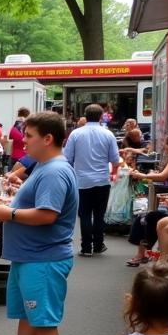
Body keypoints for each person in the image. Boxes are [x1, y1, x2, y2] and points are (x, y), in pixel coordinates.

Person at [0, 111, 78, 335]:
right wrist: (13, 200)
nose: (22, 142)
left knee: (44, 321)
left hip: (44, 259)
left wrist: (8, 212)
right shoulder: (45, 166)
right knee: (29, 315)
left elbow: (47, 214)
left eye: (28, 136)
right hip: (31, 257)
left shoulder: (53, 170)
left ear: (48, 139)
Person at [126, 133, 168, 266]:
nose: (166, 150)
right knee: (147, 217)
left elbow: (163, 176)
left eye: (167, 147)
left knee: (144, 218)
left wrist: (140, 175)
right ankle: (146, 254)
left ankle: (143, 254)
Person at [63, 103, 120, 256]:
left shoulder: (75, 134)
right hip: (102, 180)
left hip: (81, 181)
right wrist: (113, 173)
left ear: (85, 116)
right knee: (99, 215)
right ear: (101, 116)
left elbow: (67, 158)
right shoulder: (108, 134)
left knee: (85, 214)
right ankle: (99, 244)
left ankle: (86, 247)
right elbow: (115, 160)